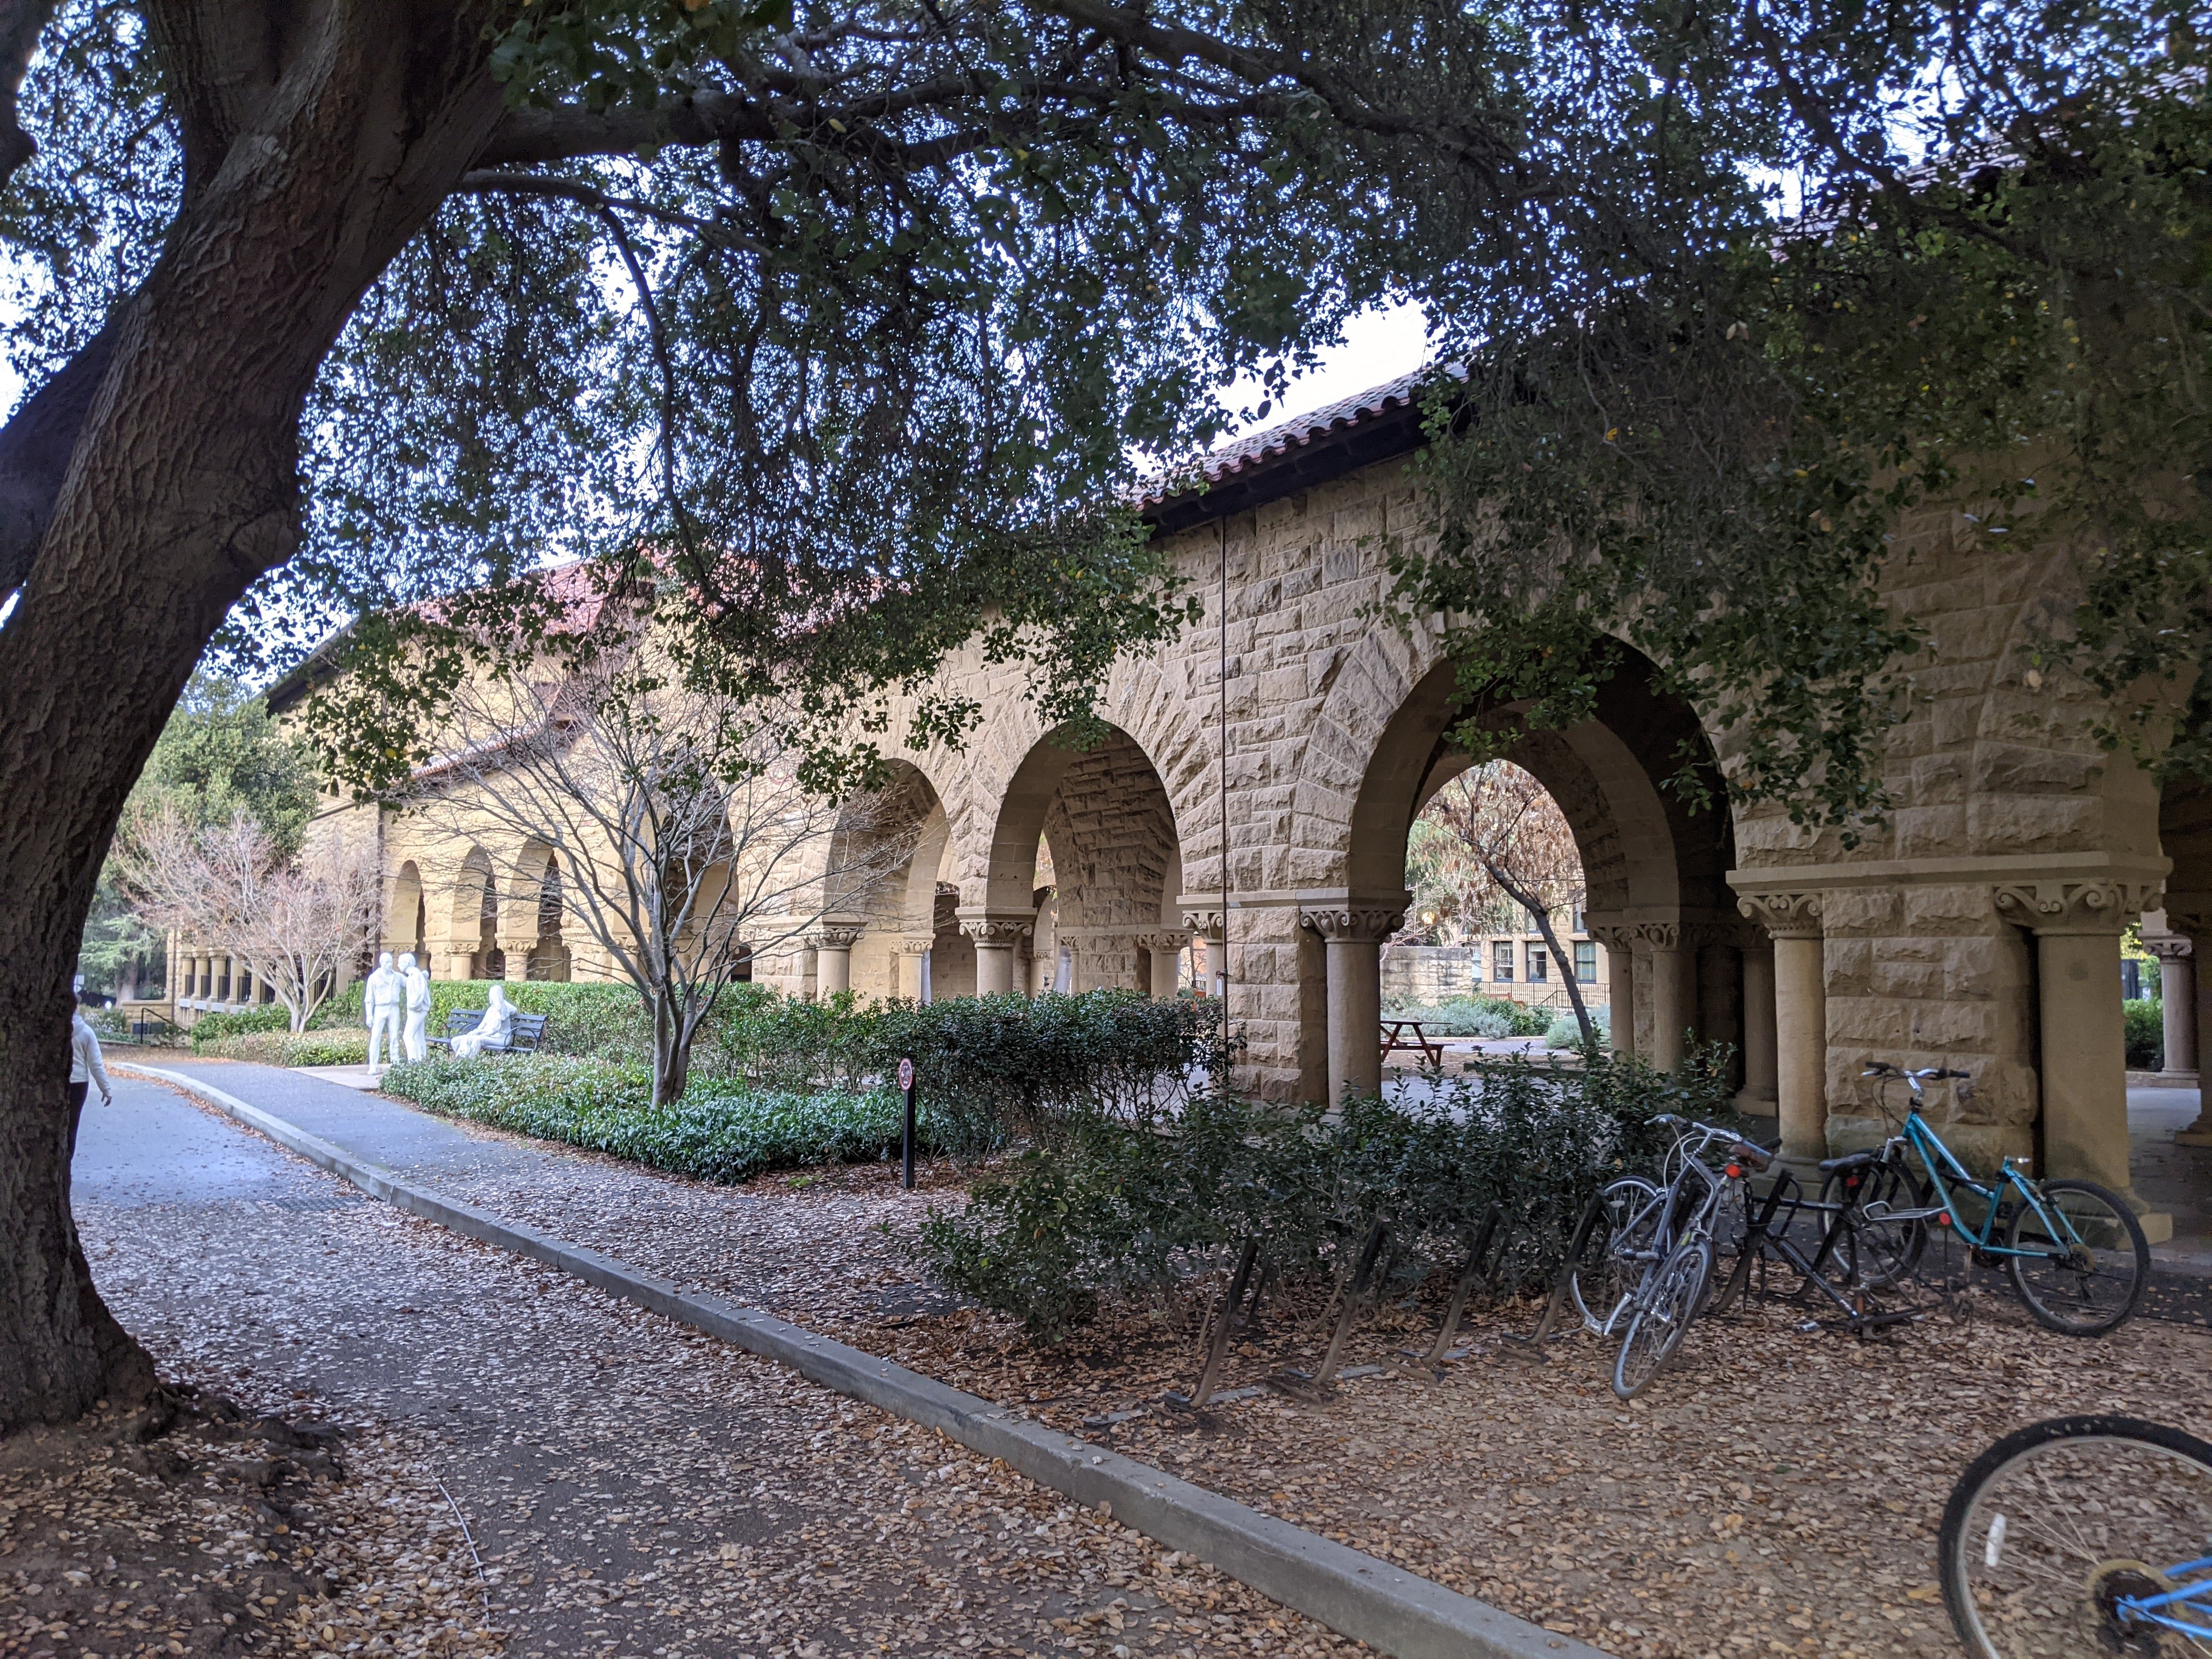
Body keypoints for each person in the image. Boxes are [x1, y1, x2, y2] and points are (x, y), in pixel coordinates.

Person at [449, 984, 516, 1060]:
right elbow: (483, 1024)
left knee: (478, 1040)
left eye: (493, 995)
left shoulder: (502, 1012)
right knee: (455, 1041)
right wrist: (476, 1031)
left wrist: (479, 1034)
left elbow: (493, 1031)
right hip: (488, 1036)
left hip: (500, 1039)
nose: (490, 997)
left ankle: (470, 1061)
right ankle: (460, 1060)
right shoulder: (491, 1009)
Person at [364, 951, 404, 1071]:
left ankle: (395, 1064)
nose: (389, 964)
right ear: (381, 963)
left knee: (394, 1037)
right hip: (380, 1009)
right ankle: (373, 1066)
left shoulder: (397, 976)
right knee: (376, 1038)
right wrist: (369, 1015)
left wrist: (419, 975)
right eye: (387, 962)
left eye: (391, 962)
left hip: (394, 1008)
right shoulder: (374, 978)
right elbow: (369, 998)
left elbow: (409, 982)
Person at [71, 1006, 113, 1113]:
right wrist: (105, 1089)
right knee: (73, 1121)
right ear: (77, 1009)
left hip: (55, 1082)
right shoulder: (86, 1032)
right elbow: (96, 1064)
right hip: (79, 1082)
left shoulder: (51, 1032)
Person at [400, 952, 432, 1063]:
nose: (398, 965)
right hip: (417, 1009)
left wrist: (412, 1005)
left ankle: (413, 1061)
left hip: (418, 1010)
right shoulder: (414, 975)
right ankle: (421, 1059)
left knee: (408, 1036)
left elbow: (419, 994)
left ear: (407, 963)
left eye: (400, 962)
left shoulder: (416, 975)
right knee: (419, 1036)